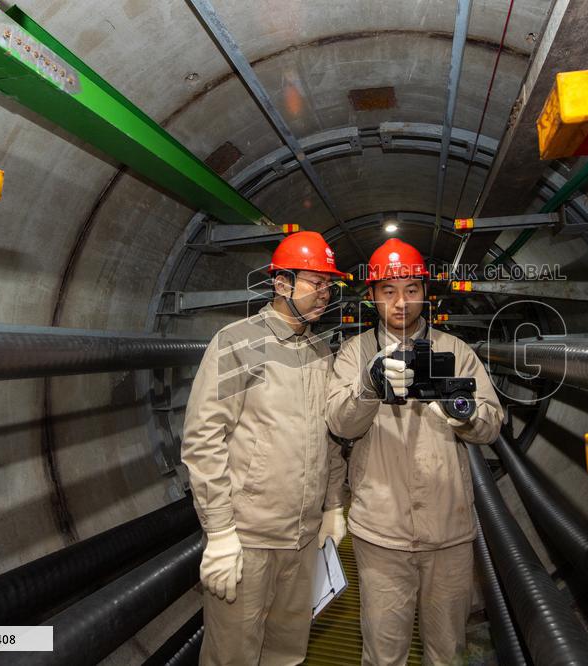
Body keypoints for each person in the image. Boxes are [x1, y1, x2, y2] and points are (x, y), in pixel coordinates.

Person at [326, 238, 504, 665]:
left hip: (449, 532)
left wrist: (462, 411)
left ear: (425, 292)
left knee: (447, 652)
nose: (401, 302)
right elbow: (339, 423)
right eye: (388, 291)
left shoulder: (455, 352)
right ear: (371, 297)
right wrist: (369, 386)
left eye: (410, 289)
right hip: (381, 533)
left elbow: (492, 423)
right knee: (385, 654)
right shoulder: (355, 354)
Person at [182, 231, 348, 666]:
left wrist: (332, 505)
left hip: (303, 538)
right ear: (281, 283)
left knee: (286, 654)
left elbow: (327, 437)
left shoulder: (318, 350)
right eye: (315, 282)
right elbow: (203, 441)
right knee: (233, 656)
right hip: (248, 540)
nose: (324, 294)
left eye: (329, 285)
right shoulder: (238, 343)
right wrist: (219, 533)